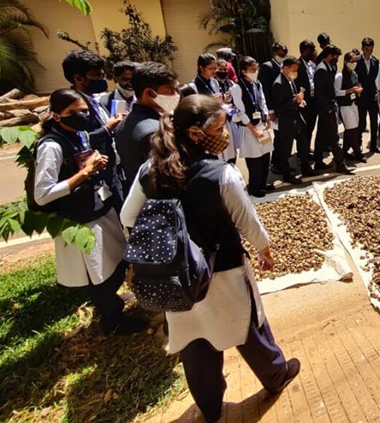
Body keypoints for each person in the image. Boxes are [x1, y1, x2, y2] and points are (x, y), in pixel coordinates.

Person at [120, 95, 300, 422]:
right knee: (247, 324)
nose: (225, 133)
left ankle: (210, 407)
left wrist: (172, 243)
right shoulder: (222, 174)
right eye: (219, 127)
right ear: (194, 133)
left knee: (194, 338)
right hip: (224, 269)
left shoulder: (151, 170)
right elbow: (247, 222)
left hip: (178, 276)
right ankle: (276, 375)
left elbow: (129, 217)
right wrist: (265, 250)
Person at [34, 89, 146, 335]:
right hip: (82, 219)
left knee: (116, 263)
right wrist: (85, 173)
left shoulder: (78, 134)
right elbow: (42, 194)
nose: (81, 116)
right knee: (101, 273)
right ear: (56, 115)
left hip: (100, 209)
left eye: (83, 110)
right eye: (71, 113)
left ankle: (111, 309)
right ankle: (112, 321)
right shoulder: (51, 146)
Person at [61, 50, 125, 209]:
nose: (102, 80)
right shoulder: (73, 108)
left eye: (103, 75)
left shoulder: (97, 99)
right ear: (78, 78)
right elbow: (77, 141)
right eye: (96, 76)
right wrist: (107, 128)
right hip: (96, 175)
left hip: (114, 169)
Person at [115, 62, 180, 192]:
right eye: (170, 90)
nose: (176, 95)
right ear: (149, 93)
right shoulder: (154, 131)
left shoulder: (123, 124)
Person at [230, 56, 274, 197]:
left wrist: (266, 117)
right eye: (252, 70)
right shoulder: (237, 88)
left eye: (256, 69)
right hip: (249, 129)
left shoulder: (257, 84)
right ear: (243, 71)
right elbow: (240, 111)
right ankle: (254, 188)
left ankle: (262, 183)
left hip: (261, 125)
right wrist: (253, 129)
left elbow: (262, 102)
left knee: (265, 157)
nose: (255, 72)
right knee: (254, 160)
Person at [270, 56, 315, 183]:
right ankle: (286, 174)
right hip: (286, 120)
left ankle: (305, 167)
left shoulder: (290, 79)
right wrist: (295, 100)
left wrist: (300, 100)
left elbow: (292, 96)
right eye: (293, 69)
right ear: (286, 68)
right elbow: (280, 105)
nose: (295, 72)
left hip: (296, 116)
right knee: (286, 148)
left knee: (304, 142)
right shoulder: (278, 83)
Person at [313, 45, 354, 174]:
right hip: (326, 108)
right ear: (329, 56)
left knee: (321, 136)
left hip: (330, 106)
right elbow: (319, 92)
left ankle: (318, 162)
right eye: (336, 57)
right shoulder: (321, 69)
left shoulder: (330, 67)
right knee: (333, 136)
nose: (337, 59)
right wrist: (328, 108)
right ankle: (340, 164)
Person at [260, 43, 288, 175]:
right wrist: (270, 111)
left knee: (285, 137)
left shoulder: (284, 66)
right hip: (275, 109)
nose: (283, 56)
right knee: (279, 138)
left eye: (285, 54)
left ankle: (284, 162)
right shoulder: (268, 67)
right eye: (281, 54)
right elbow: (265, 90)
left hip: (284, 107)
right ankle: (275, 163)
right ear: (274, 53)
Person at [335, 50, 365, 161]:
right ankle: (358, 153)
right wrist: (349, 90)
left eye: (355, 61)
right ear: (346, 61)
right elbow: (336, 91)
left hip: (354, 103)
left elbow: (357, 85)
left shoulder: (354, 74)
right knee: (351, 129)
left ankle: (344, 151)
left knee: (352, 128)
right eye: (351, 61)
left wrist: (358, 90)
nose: (354, 63)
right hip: (344, 105)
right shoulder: (339, 76)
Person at [355, 37, 380, 154]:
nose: (369, 52)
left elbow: (373, 78)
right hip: (361, 96)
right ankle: (359, 144)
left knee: (374, 120)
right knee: (361, 122)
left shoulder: (376, 61)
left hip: (372, 95)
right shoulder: (356, 61)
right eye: (367, 49)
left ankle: (374, 144)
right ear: (362, 48)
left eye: (371, 49)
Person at [295, 40, 318, 157]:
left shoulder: (312, 65)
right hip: (303, 102)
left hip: (313, 101)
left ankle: (307, 148)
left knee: (310, 127)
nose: (314, 52)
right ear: (304, 51)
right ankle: (302, 153)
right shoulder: (297, 66)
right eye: (311, 50)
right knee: (302, 130)